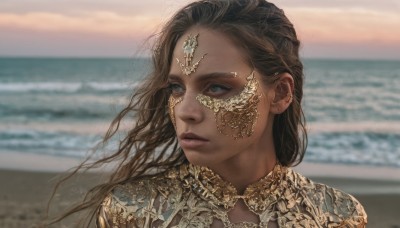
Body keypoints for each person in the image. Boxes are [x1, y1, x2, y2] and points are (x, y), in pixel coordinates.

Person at [52, 0, 367, 227]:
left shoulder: (337, 216)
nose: (186, 111)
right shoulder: (133, 211)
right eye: (176, 88)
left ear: (281, 93)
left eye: (217, 88)